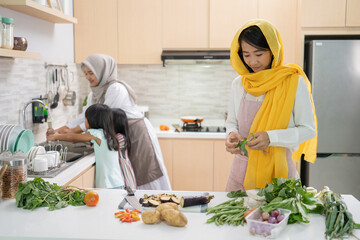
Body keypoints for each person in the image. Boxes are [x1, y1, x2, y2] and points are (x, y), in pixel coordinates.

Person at [53, 54, 171, 190]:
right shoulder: (94, 93)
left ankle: (154, 206)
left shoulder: (115, 88)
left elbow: (101, 118)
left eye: (91, 72)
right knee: (131, 173)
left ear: (102, 71)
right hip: (121, 134)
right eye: (85, 73)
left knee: (145, 173)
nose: (87, 77)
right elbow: (84, 115)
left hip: (136, 134)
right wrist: (62, 129)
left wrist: (71, 132)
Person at [225, 19, 318, 191]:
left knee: (279, 217)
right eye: (246, 55)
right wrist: (231, 134)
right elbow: (232, 122)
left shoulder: (293, 82)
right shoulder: (239, 84)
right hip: (242, 173)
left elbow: (308, 129)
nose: (253, 62)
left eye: (259, 54)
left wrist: (271, 138)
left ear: (273, 50)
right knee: (236, 217)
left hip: (280, 175)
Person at [47, 104, 124, 189]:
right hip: (118, 182)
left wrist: (55, 136)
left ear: (93, 120)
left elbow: (74, 138)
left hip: (108, 184)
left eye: (86, 119)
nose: (85, 122)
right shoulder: (109, 134)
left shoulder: (97, 134)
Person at [112, 108, 137, 190]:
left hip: (125, 175)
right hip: (119, 175)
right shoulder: (117, 137)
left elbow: (106, 144)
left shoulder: (120, 137)